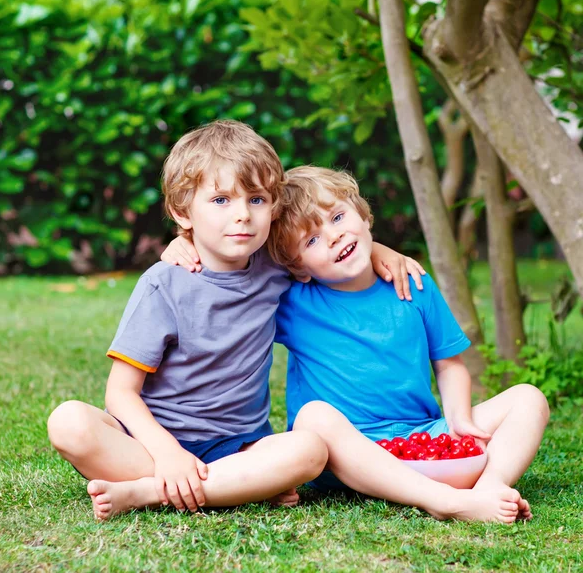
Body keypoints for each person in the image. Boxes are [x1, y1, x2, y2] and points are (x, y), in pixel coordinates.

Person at [47, 121, 422, 520]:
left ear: (273, 207)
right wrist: (169, 453)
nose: (242, 215)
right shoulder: (163, 284)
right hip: (151, 442)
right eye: (221, 200)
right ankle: (231, 486)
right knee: (69, 422)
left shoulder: (275, 265)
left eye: (257, 200)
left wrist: (380, 250)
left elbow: (325, 242)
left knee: (309, 450)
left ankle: (151, 492)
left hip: (240, 445)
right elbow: (120, 394)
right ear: (181, 211)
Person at [267, 166, 550, 523]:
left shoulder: (413, 283)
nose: (334, 236)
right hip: (343, 456)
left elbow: (449, 365)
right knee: (313, 417)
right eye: (311, 240)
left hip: (422, 440)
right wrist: (183, 244)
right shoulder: (292, 300)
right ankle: (446, 501)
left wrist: (460, 418)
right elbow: (242, 267)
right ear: (298, 266)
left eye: (338, 217)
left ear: (364, 216)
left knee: (528, 398)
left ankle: (489, 487)